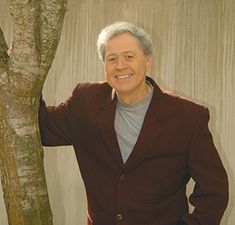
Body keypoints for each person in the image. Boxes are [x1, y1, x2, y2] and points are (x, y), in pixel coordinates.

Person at [39, 21, 228, 225]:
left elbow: (214, 191)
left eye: (129, 57)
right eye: (112, 59)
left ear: (147, 61)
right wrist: (21, 73)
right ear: (104, 65)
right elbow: (42, 129)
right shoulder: (85, 102)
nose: (120, 66)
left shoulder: (188, 117)